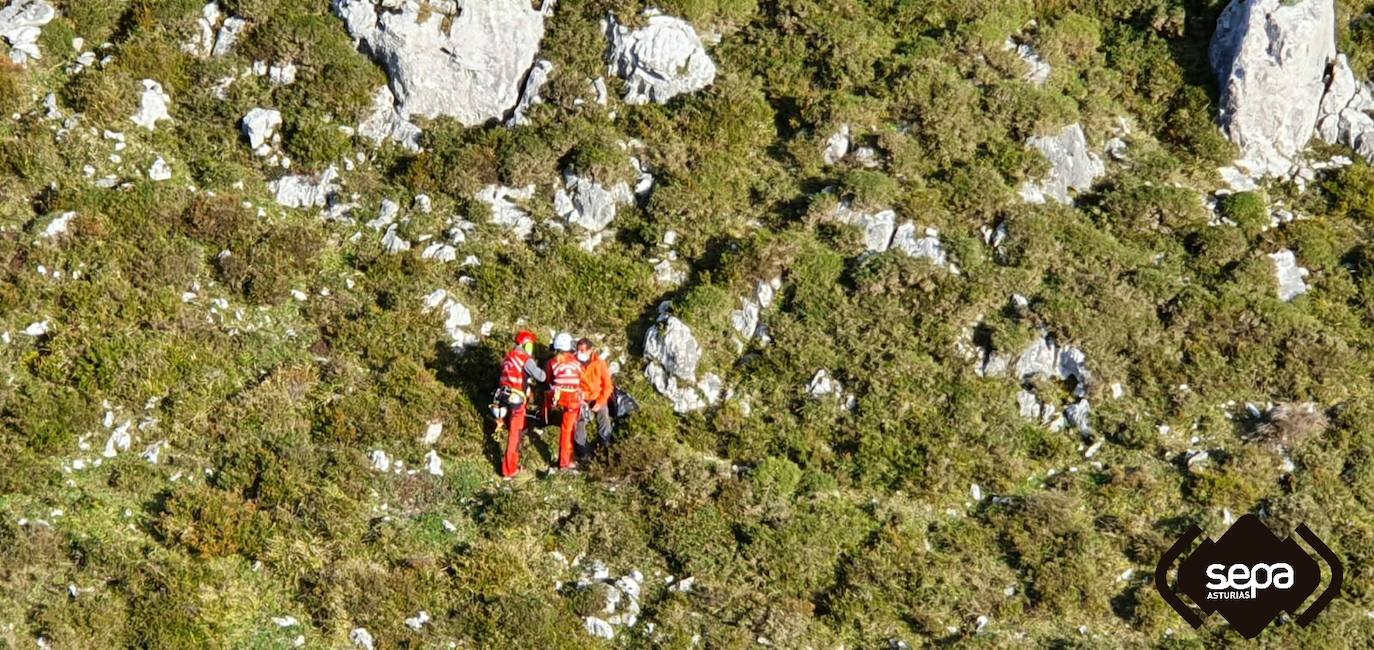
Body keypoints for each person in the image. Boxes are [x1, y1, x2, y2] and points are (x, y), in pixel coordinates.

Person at [499, 330, 545, 478]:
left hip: (502, 397)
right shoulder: (525, 359)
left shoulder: (508, 357)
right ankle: (509, 469)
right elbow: (541, 377)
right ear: (527, 345)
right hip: (517, 399)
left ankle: (512, 462)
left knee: (513, 430)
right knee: (515, 434)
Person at [546, 332, 583, 471]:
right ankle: (565, 461)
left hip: (557, 397)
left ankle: (567, 459)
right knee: (568, 429)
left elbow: (549, 379)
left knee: (566, 428)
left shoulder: (552, 362)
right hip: (572, 399)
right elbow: (581, 378)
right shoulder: (576, 362)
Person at [575, 338, 614, 459]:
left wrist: (601, 401)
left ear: (590, 350)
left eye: (582, 350)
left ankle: (605, 446)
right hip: (581, 398)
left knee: (604, 417)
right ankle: (583, 453)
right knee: (578, 423)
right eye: (578, 350)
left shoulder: (600, 363)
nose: (580, 353)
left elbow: (608, 386)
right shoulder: (574, 362)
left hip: (597, 396)